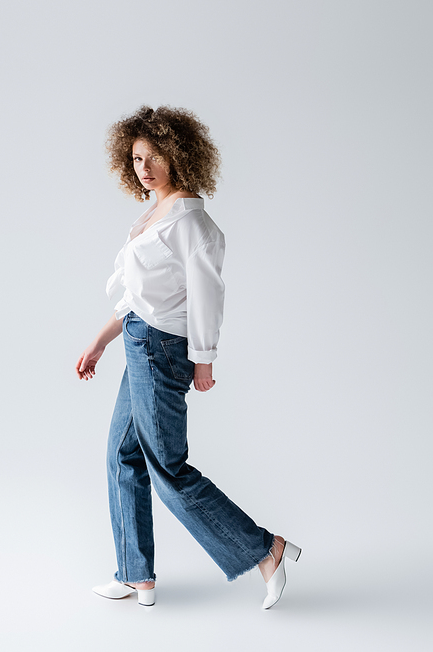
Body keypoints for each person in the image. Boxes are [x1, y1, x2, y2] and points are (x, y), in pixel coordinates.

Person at [76, 105, 301, 609]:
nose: (145, 167)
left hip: (162, 350)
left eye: (155, 156)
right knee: (121, 456)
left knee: (168, 469)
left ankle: (267, 549)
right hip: (138, 341)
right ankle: (137, 575)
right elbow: (139, 298)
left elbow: (206, 297)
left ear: (179, 155)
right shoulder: (153, 214)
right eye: (136, 158)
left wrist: (203, 361)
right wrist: (101, 340)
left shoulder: (191, 222)